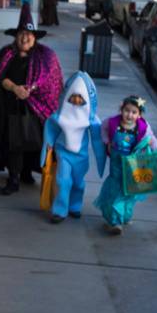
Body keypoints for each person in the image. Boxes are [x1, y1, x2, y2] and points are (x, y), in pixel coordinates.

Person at [0, 3, 63, 195]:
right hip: (11, 107)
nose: (25, 37)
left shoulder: (45, 57)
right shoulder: (6, 54)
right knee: (14, 142)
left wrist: (31, 89)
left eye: (29, 35)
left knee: (34, 142)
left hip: (37, 109)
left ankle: (26, 172)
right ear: (16, 36)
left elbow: (52, 81)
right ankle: (13, 178)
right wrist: (16, 88)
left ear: (34, 38)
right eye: (22, 34)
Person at [41, 71, 105, 224]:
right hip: (63, 153)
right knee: (63, 181)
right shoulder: (59, 117)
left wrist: (101, 159)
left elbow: (97, 141)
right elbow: (50, 131)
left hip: (81, 157)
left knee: (78, 182)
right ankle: (59, 210)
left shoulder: (91, 120)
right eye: (73, 97)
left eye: (80, 99)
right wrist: (47, 149)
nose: (76, 101)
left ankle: (75, 206)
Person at [94, 95, 157, 235]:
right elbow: (103, 129)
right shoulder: (112, 122)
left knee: (129, 190)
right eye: (127, 110)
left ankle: (125, 215)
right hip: (116, 162)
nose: (130, 115)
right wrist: (107, 142)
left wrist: (151, 144)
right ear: (121, 109)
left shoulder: (143, 126)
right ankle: (115, 221)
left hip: (132, 164)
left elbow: (152, 140)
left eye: (134, 112)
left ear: (139, 114)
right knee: (116, 189)